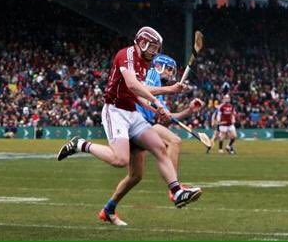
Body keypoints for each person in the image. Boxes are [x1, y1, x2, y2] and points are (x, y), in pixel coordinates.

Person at [57, 26, 202, 213]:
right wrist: (162, 97)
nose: (155, 52)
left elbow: (138, 94)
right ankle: (80, 144)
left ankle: (177, 192)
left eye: (157, 49)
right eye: (153, 48)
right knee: (120, 160)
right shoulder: (126, 55)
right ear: (142, 43)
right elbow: (133, 85)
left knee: (159, 148)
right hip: (115, 111)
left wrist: (155, 109)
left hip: (132, 112)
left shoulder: (144, 64)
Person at [99, 54, 203, 226]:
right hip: (134, 122)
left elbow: (168, 118)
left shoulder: (158, 87)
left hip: (141, 127)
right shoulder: (152, 74)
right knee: (174, 141)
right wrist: (164, 93)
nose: (170, 73)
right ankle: (175, 190)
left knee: (135, 176)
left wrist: (189, 110)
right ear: (159, 66)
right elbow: (141, 89)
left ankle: (108, 210)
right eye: (169, 69)